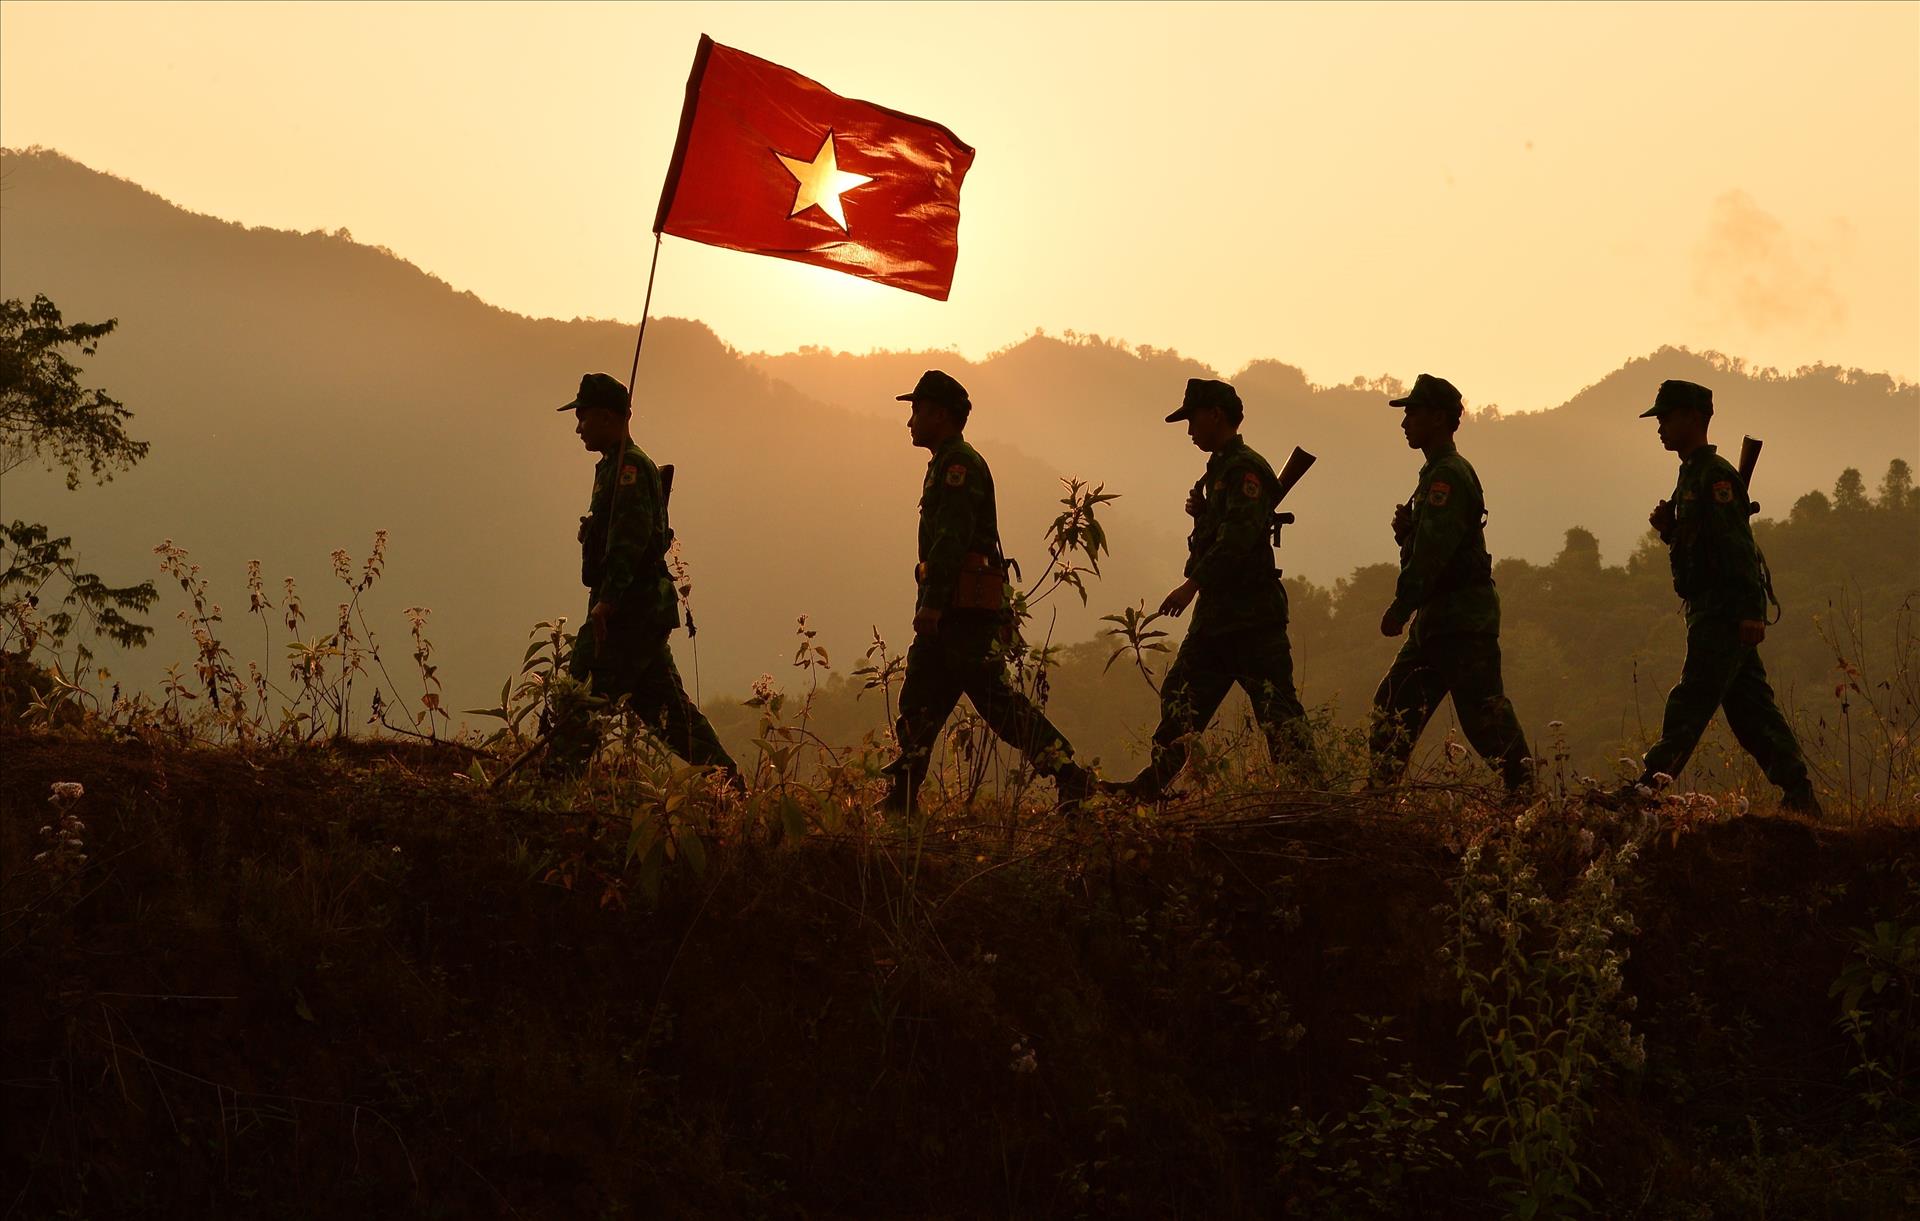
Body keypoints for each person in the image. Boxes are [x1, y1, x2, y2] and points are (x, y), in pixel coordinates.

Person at [880, 370, 1096, 813]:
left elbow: (951, 541)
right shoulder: (947, 462)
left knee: (997, 706)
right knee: (921, 700)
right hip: (955, 609)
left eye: (916, 411)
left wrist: (932, 604)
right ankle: (901, 798)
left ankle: (1070, 775)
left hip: (961, 613)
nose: (910, 422)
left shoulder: (958, 466)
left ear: (940, 414)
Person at [1120, 378, 1324, 799]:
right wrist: (1204, 513)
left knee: (1278, 712)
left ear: (1215, 415)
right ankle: (1151, 789)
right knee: (1181, 697)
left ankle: (1310, 794)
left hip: (1251, 618)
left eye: (1193, 419)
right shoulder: (1221, 470)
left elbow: (1237, 539)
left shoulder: (1243, 468)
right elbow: (1224, 529)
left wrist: (1191, 585)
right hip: (1220, 618)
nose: (1190, 430)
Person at [1628, 379, 1821, 815]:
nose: (1659, 426)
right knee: (1752, 712)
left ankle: (1647, 790)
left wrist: (1752, 613)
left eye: (1666, 416)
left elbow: (1737, 547)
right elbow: (1705, 545)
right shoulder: (1691, 473)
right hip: (1709, 608)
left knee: (1691, 700)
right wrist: (1670, 531)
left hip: (1723, 612)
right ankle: (1799, 793)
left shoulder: (1715, 476)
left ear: (1693, 419)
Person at [553, 372, 740, 780]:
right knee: (668, 712)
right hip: (638, 612)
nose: (578, 427)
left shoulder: (630, 469)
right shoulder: (612, 467)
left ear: (606, 417)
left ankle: (555, 778)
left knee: (581, 691)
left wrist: (608, 601)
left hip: (628, 612)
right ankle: (727, 779)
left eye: (583, 417)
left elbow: (629, 541)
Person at [1367, 374, 1532, 794]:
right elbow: (1433, 543)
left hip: (1460, 619)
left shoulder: (1447, 477)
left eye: (1413, 413)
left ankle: (1527, 794)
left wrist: (1401, 606)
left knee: (1484, 716)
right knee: (1393, 704)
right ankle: (1380, 794)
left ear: (1438, 418)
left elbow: (1434, 553)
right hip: (1439, 620)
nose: (1405, 422)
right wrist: (1408, 532)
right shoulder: (1435, 475)